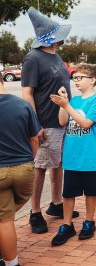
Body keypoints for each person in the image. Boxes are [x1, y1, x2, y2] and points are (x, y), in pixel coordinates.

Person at [21, 7, 79, 234]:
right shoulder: (32, 58)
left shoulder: (56, 55)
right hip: (45, 123)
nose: (60, 41)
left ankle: (56, 204)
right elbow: (27, 94)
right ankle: (35, 212)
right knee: (41, 168)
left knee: (58, 165)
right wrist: (35, 126)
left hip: (63, 121)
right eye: (57, 37)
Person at [48, 64, 96, 246]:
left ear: (92, 80)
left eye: (80, 78)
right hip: (72, 156)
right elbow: (63, 121)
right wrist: (63, 104)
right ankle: (67, 224)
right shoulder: (74, 101)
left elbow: (86, 123)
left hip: (91, 156)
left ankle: (89, 222)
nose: (76, 81)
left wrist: (67, 105)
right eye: (75, 78)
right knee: (68, 193)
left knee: (91, 192)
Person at [0, 75, 41, 266]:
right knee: (7, 215)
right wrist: (29, 161)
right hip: (24, 169)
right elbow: (34, 139)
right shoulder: (22, 105)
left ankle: (11, 262)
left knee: (4, 219)